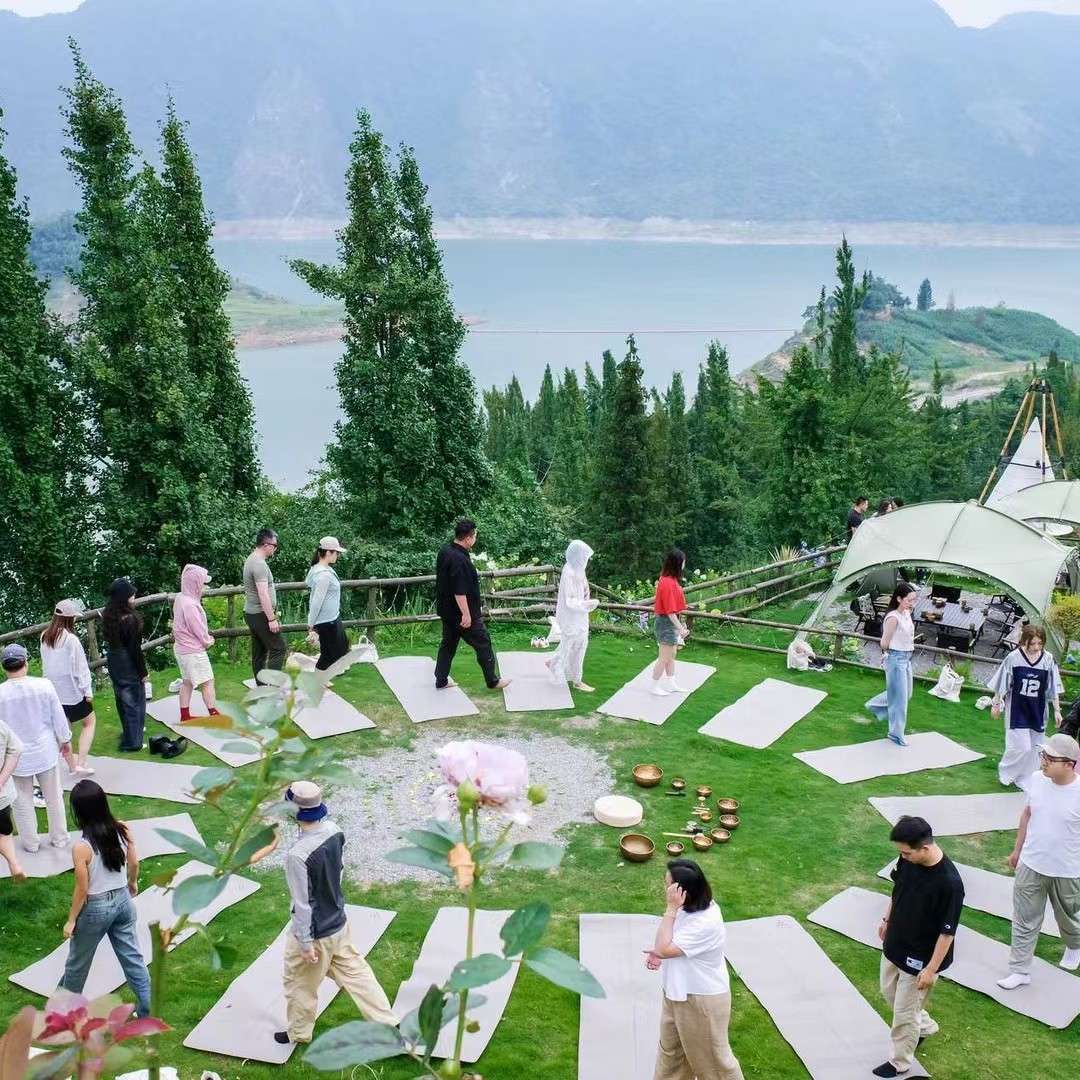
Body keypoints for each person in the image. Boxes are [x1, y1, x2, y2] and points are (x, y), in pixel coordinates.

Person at [266, 780, 398, 1046]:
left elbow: (302, 904)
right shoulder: (335, 831)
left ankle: (298, 1033)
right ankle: (388, 1023)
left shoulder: (297, 855)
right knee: (357, 974)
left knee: (299, 985)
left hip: (315, 934)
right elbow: (339, 872)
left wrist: (305, 943)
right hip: (338, 923)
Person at [874, 816, 964, 1078]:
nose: (902, 856)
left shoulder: (949, 884)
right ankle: (924, 1025)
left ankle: (899, 1062)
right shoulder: (908, 859)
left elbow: (947, 933)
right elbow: (897, 889)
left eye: (906, 852)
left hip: (921, 958)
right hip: (895, 942)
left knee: (904, 1014)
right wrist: (887, 919)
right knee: (889, 993)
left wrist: (931, 970)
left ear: (924, 848)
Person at [58, 779, 151, 1017]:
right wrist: (132, 882)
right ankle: (148, 1009)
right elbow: (134, 863)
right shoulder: (123, 829)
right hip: (123, 901)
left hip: (96, 908)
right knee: (133, 958)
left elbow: (82, 889)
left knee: (77, 964)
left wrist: (71, 920)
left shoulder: (82, 847)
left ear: (79, 811)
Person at [645, 859, 744, 1080]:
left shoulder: (705, 922)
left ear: (683, 893)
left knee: (714, 1065)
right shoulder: (686, 907)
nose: (665, 889)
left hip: (700, 1002)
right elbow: (668, 944)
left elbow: (664, 947)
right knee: (671, 1057)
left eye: (668, 885)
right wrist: (660, 953)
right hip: (675, 993)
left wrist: (670, 910)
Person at [997, 732, 1080, 989]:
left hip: (1067, 870)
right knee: (1024, 918)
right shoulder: (1036, 779)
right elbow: (1027, 814)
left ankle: (1075, 945)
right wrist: (1017, 851)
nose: (1043, 761)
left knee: (1068, 917)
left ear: (1070, 764)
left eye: (1050, 758)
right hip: (1031, 863)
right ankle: (1020, 970)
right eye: (1043, 755)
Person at [0, 643, 71, 851]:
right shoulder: (44, 685)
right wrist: (65, 739)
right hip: (44, 751)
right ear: (25, 663)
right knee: (54, 797)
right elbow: (58, 716)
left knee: (22, 802)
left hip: (16, 758)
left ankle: (30, 843)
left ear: (4, 667)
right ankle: (60, 838)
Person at [433, 520, 509, 691]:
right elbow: (459, 591)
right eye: (474, 536)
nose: (475, 538)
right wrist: (466, 614)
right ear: (468, 538)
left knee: (448, 644)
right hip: (462, 613)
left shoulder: (445, 550)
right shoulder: (459, 559)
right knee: (483, 642)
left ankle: (441, 680)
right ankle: (493, 681)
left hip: (447, 611)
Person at [988, 624, 1064, 790]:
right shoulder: (1014, 658)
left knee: (1035, 748)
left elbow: (1053, 687)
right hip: (1017, 709)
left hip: (1038, 710)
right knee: (1021, 747)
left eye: (1040, 643)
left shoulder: (1048, 659)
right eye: (1032, 643)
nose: (1036, 647)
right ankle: (1006, 773)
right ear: (1025, 642)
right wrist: (996, 704)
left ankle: (1025, 778)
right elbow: (1002, 683)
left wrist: (1057, 710)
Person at [41, 599, 96, 775]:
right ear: (70, 618)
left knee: (64, 731)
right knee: (89, 722)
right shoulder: (71, 640)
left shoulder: (44, 636)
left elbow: (46, 666)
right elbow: (81, 668)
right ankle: (81, 762)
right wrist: (87, 691)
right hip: (72, 692)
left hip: (54, 692)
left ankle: (72, 767)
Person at [866, 582, 917, 747]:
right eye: (909, 600)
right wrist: (888, 655)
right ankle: (896, 735)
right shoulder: (893, 618)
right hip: (896, 658)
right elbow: (884, 643)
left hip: (907, 658)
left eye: (914, 600)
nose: (912, 603)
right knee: (900, 701)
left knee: (906, 694)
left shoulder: (907, 613)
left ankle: (874, 706)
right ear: (899, 599)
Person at [547, 540, 600, 692]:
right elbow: (569, 600)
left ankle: (556, 665)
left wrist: (587, 602)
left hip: (580, 615)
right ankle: (575, 680)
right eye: (583, 556)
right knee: (569, 645)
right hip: (570, 617)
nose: (585, 560)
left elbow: (583, 590)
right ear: (577, 555)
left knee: (580, 644)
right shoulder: (568, 572)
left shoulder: (578, 570)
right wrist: (586, 604)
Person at [102, 579, 147, 753]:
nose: (134, 597)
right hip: (128, 661)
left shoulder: (109, 616)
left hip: (114, 660)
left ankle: (129, 735)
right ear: (124, 598)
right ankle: (133, 742)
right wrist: (142, 671)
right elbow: (135, 649)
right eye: (131, 595)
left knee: (121, 699)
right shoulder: (130, 619)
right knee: (134, 700)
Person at [172, 564, 220, 722]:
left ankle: (185, 715)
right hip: (193, 651)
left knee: (187, 682)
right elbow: (197, 628)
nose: (205, 586)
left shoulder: (181, 597)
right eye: (203, 583)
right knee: (208, 682)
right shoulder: (190, 605)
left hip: (181, 649)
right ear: (195, 583)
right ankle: (214, 714)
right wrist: (207, 641)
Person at [244, 528, 286, 683]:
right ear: (266, 544)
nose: (275, 548)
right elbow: (263, 593)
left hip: (252, 613)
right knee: (278, 649)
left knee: (259, 653)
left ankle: (262, 687)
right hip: (260, 614)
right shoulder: (259, 564)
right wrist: (271, 619)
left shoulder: (251, 559)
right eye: (275, 545)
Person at [651, 549, 690, 698]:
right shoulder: (667, 582)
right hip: (665, 623)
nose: (684, 564)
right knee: (664, 657)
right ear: (677, 563)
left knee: (671, 655)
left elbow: (674, 610)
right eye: (683, 561)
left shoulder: (670, 579)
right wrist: (681, 629)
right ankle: (654, 686)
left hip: (669, 622)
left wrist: (680, 625)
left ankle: (672, 684)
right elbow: (669, 611)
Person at [306, 537, 349, 671]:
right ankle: (318, 678)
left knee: (341, 647)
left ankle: (324, 676)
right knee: (328, 656)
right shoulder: (323, 574)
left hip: (333, 617)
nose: (338, 555)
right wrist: (311, 624)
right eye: (337, 552)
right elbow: (316, 601)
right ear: (328, 552)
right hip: (326, 621)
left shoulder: (324, 569)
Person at [0, 718, 27, 880]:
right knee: (4, 832)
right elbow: (17, 748)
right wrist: (2, 779)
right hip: (1, 796)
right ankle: (14, 863)